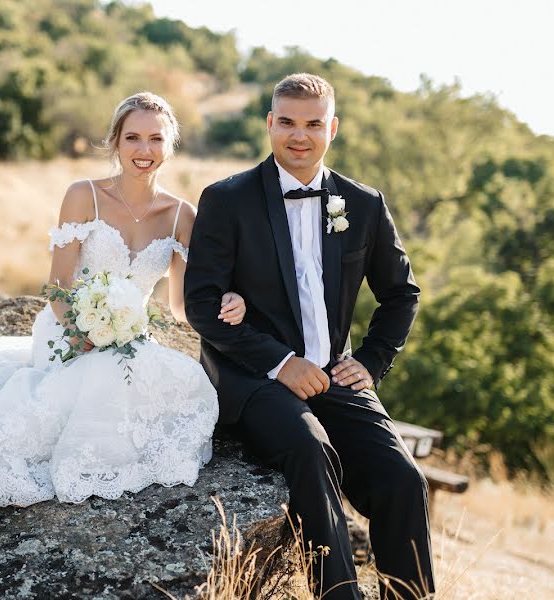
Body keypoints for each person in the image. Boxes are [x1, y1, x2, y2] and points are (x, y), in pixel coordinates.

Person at [0, 92, 247, 507]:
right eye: (133, 138)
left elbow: (181, 306)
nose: (144, 150)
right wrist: (86, 331)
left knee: (179, 389)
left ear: (170, 144)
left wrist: (227, 299)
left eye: (156, 139)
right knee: (65, 399)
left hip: (131, 341)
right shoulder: (83, 195)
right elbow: (57, 287)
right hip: (67, 331)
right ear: (115, 142)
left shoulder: (182, 216)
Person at [183, 74, 433, 600]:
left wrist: (371, 361)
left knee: (403, 481)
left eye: (314, 124)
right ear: (270, 124)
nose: (300, 135)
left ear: (333, 128)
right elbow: (202, 305)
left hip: (334, 374)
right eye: (288, 123)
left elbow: (401, 293)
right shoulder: (227, 199)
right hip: (255, 378)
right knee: (310, 450)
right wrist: (279, 363)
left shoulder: (362, 204)